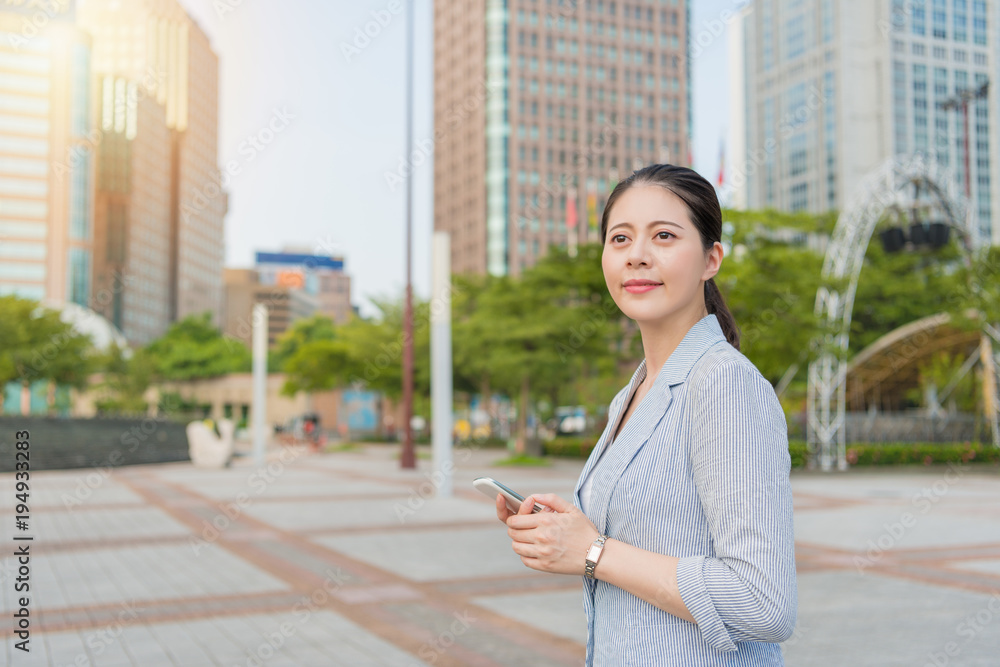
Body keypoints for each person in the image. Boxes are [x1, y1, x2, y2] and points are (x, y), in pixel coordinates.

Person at [495, 164, 797, 666]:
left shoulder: (722, 382)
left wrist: (594, 554)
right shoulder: (634, 392)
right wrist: (563, 532)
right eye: (620, 238)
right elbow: (654, 532)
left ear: (710, 259)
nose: (637, 256)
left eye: (663, 236)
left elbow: (763, 602)